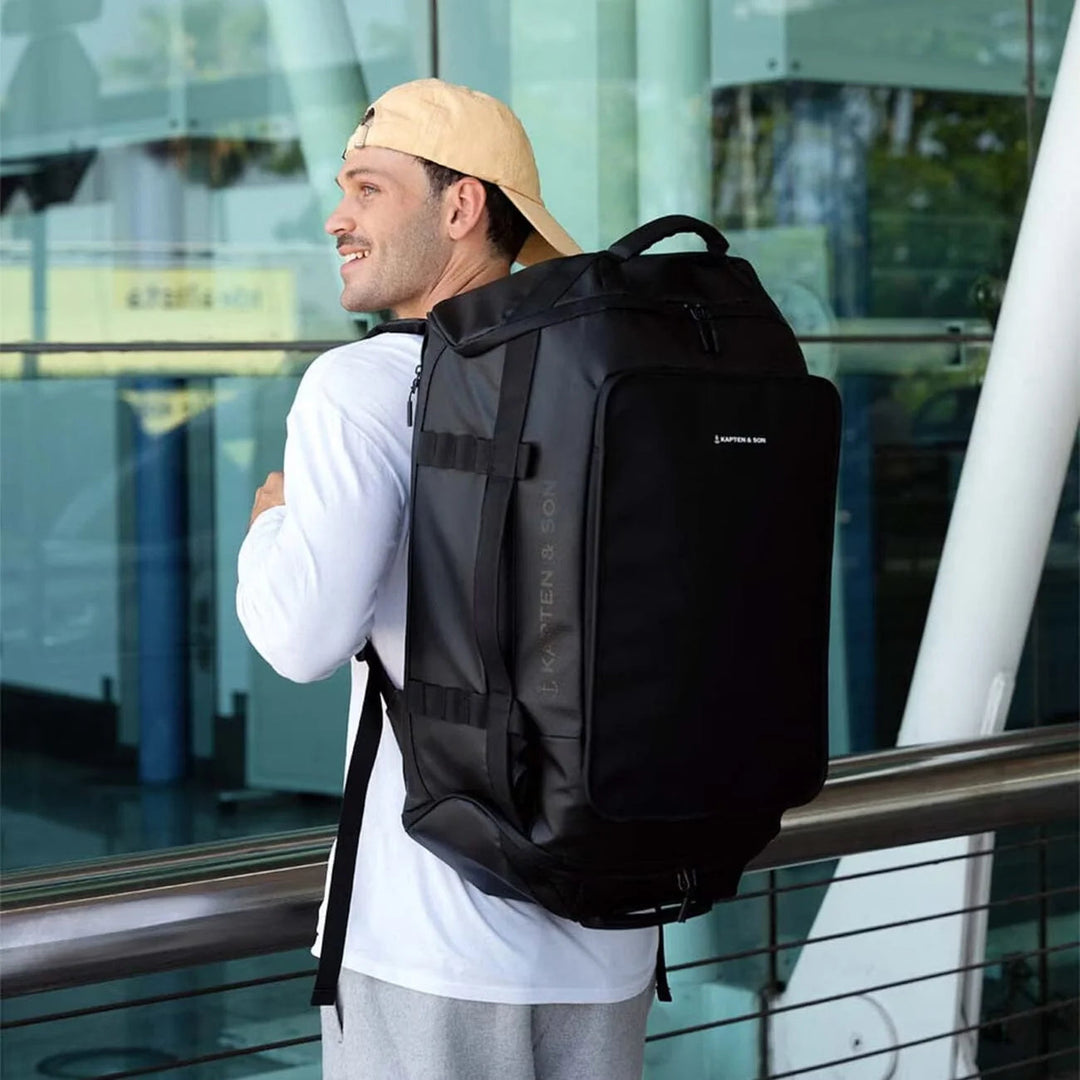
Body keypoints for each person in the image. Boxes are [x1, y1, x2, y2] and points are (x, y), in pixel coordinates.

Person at [236, 78, 656, 1080]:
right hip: (614, 934)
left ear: (462, 206)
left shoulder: (362, 385)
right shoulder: (606, 382)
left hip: (432, 940)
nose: (338, 215)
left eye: (370, 188)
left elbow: (300, 639)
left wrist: (270, 522)